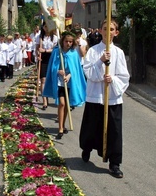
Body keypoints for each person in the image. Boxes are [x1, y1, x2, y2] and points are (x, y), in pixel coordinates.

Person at [79, 19, 130, 178]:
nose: (108, 32)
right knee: (92, 127)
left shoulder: (119, 53)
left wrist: (112, 79)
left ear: (116, 32)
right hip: (96, 96)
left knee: (114, 130)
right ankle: (87, 148)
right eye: (105, 29)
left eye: (112, 29)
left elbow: (124, 77)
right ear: (100, 31)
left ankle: (114, 163)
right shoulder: (93, 51)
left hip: (112, 98)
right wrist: (101, 62)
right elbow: (88, 73)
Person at [43, 31, 86, 139]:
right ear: (62, 41)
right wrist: (58, 71)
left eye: (70, 42)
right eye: (66, 41)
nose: (68, 43)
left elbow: (76, 69)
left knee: (67, 104)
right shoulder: (57, 52)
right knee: (61, 103)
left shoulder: (73, 53)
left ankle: (63, 124)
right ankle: (60, 128)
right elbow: (52, 67)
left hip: (69, 82)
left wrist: (69, 76)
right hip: (59, 82)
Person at [36, 22, 58, 110]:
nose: (47, 28)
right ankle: (45, 100)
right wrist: (38, 54)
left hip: (52, 58)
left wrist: (45, 50)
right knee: (43, 79)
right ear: (43, 27)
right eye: (45, 26)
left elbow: (55, 49)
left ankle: (53, 96)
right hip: (43, 59)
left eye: (48, 26)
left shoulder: (55, 37)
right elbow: (37, 48)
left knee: (53, 79)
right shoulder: (40, 37)